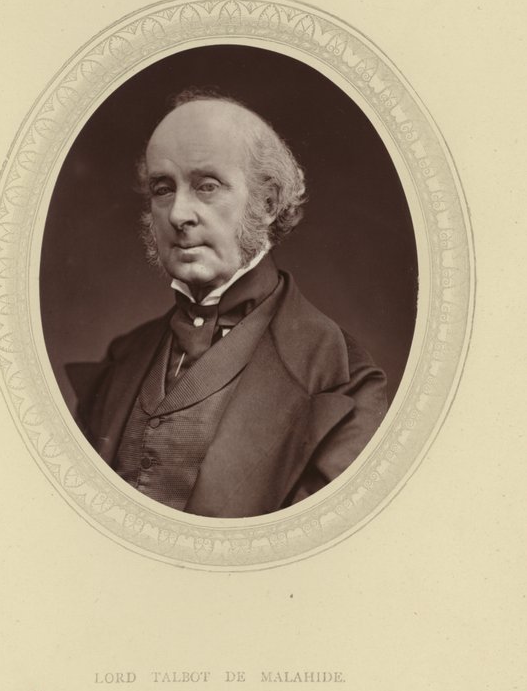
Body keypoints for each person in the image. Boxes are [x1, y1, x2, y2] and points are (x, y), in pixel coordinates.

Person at [71, 89, 388, 518]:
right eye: (163, 189)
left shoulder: (342, 380)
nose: (178, 214)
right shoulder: (122, 359)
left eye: (207, 186)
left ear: (268, 203)